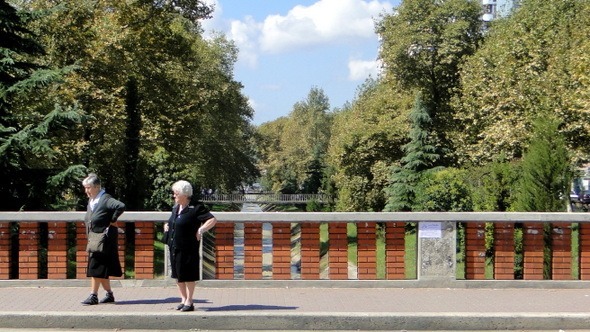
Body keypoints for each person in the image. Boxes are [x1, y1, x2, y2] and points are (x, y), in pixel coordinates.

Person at [164, 180, 217, 312]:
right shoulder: (176, 207)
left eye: (176, 193)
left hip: (188, 247)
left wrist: (201, 230)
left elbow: (212, 220)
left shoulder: (196, 207)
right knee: (178, 275)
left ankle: (189, 300)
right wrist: (167, 226)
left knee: (187, 275)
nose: (174, 196)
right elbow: (174, 222)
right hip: (174, 246)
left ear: (184, 194)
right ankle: (183, 299)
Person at [81, 173, 125, 305]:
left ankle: (93, 295)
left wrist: (112, 220)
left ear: (97, 187)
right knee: (102, 268)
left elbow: (121, 206)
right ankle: (109, 295)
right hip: (96, 239)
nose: (86, 191)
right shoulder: (93, 200)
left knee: (96, 267)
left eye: (88, 187)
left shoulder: (105, 199)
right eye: (85, 188)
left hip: (104, 239)